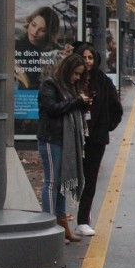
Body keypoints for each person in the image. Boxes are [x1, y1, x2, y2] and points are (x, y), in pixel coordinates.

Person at [38, 53, 90, 244]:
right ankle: (50, 225)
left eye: (80, 75)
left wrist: (82, 105)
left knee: (61, 184)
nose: (77, 78)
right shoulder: (50, 85)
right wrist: (76, 102)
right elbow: (52, 108)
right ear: (67, 70)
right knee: (52, 182)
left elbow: (69, 109)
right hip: (51, 138)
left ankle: (61, 224)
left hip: (65, 140)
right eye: (76, 74)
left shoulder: (70, 88)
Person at [74, 44, 123, 237]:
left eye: (90, 58)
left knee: (90, 178)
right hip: (72, 136)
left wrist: (105, 126)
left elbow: (116, 108)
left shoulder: (102, 81)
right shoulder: (70, 79)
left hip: (95, 138)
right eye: (84, 57)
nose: (87, 61)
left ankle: (82, 219)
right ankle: (60, 218)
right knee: (69, 177)